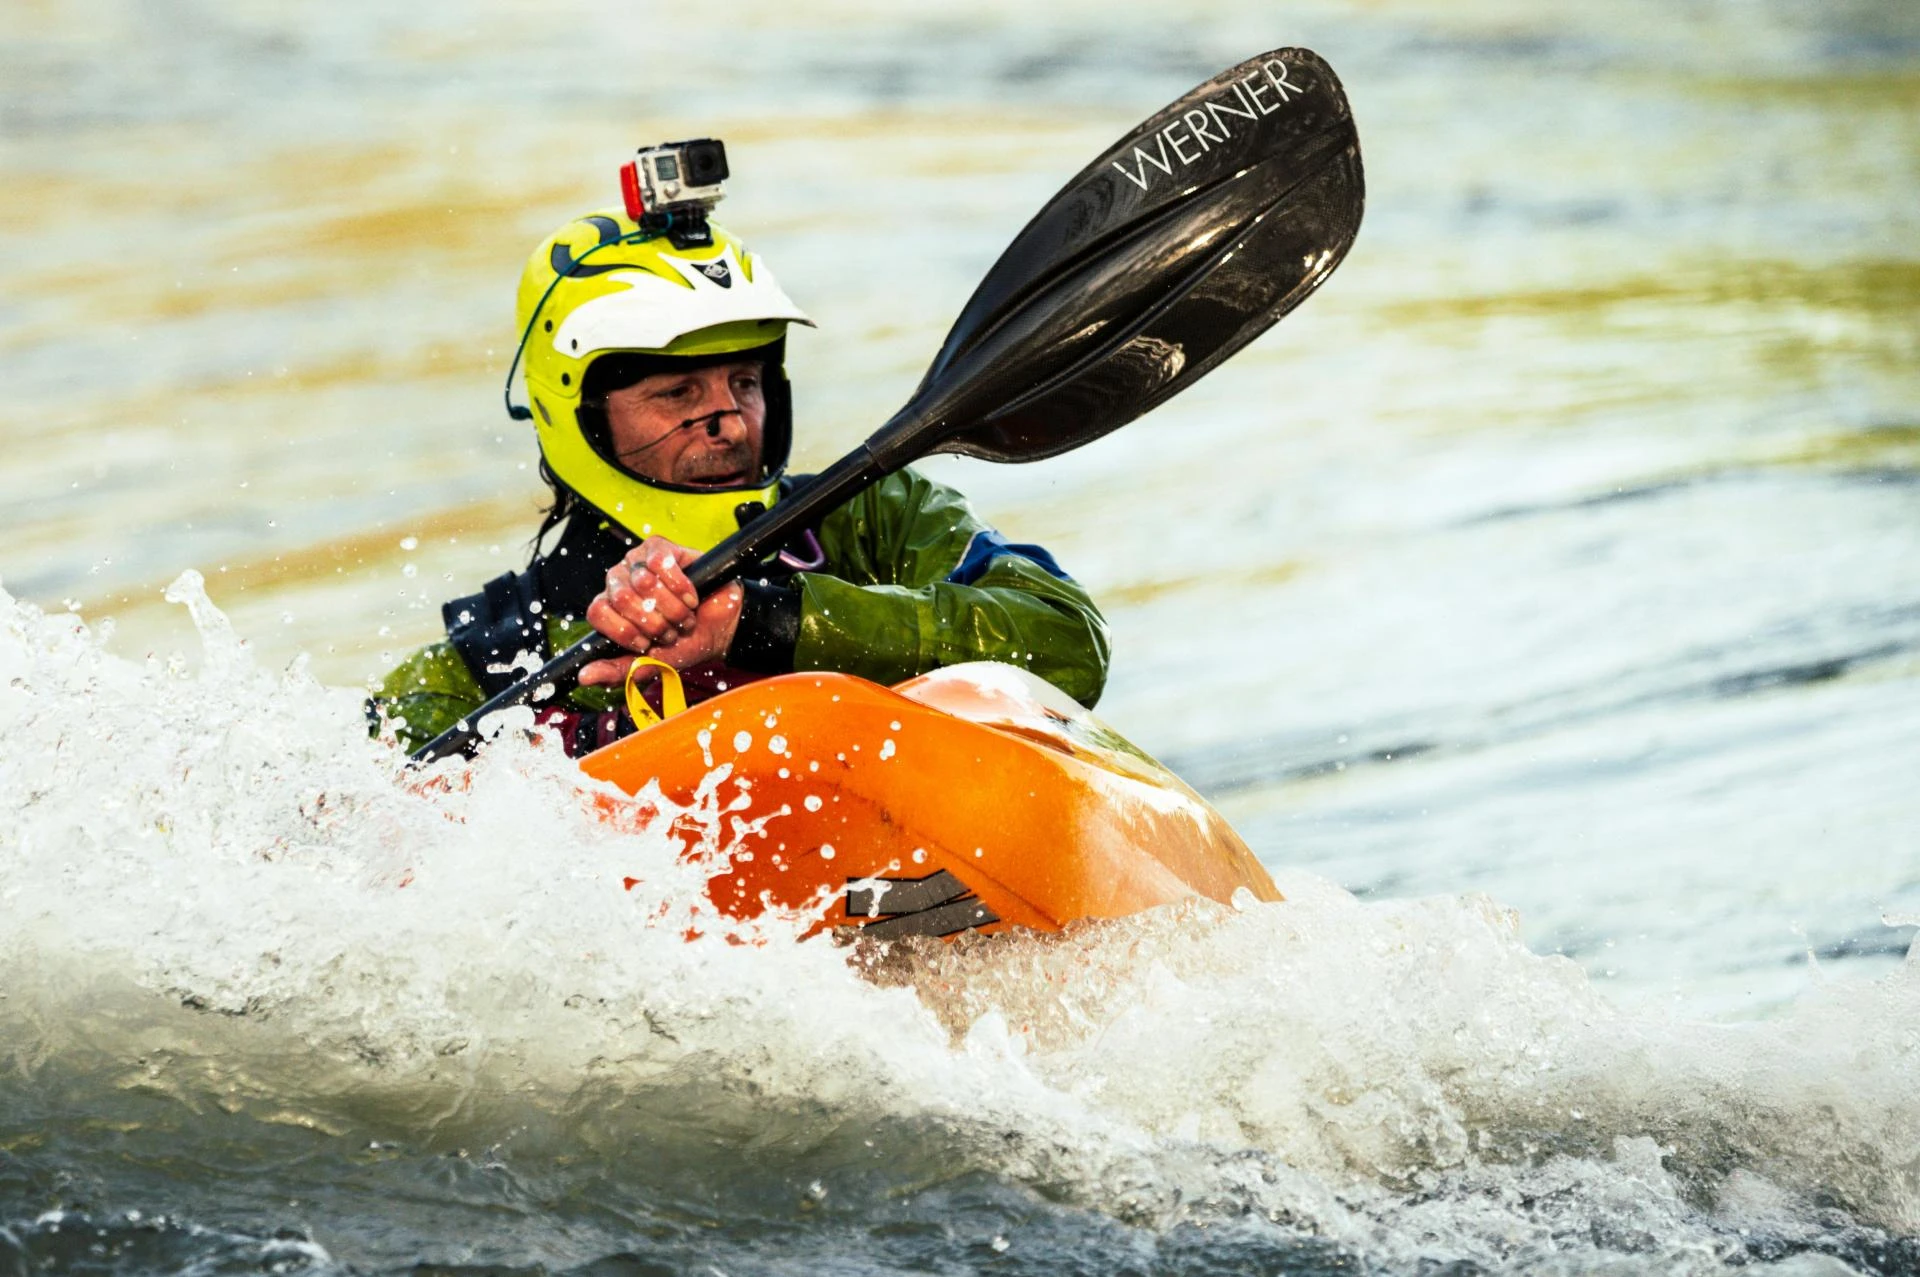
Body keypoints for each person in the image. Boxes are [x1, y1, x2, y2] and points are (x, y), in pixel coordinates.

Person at [372, 206, 1108, 756]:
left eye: (744, 380)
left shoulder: (879, 515)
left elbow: (1071, 644)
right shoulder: (492, 657)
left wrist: (762, 622)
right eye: (678, 394)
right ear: (583, 415)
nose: (727, 418)